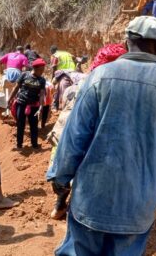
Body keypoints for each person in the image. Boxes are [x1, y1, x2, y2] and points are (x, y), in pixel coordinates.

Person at [47, 16, 156, 255]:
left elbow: (74, 135)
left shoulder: (99, 77)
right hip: (138, 208)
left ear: (127, 43)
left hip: (91, 201)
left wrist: (60, 175)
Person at [47, 43, 125, 221]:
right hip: (95, 148)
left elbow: (63, 121)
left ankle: (61, 205)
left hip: (68, 145)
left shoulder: (78, 86)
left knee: (68, 175)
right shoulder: (118, 90)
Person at [8, 58, 46, 150]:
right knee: (20, 124)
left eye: (43, 70)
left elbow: (41, 94)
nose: (42, 72)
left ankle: (35, 145)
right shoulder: (24, 75)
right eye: (41, 70)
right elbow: (16, 88)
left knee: (34, 126)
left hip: (33, 105)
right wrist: (10, 99)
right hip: (21, 103)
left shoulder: (42, 80)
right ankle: (19, 145)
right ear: (35, 68)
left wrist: (41, 106)